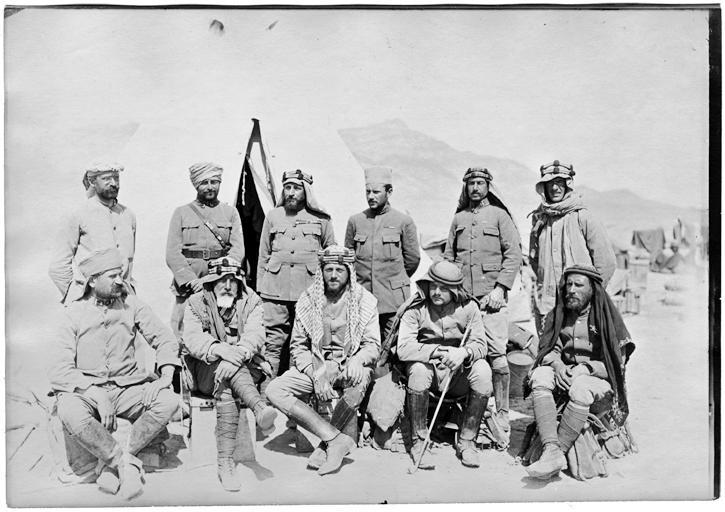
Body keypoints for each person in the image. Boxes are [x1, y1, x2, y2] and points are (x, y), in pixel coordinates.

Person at [48, 248, 180, 500]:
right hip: (87, 391)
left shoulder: (132, 305)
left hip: (128, 389)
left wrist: (165, 376)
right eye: (112, 276)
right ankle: (121, 463)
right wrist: (95, 393)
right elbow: (59, 367)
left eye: (120, 274)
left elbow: (164, 339)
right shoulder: (73, 312)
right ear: (92, 281)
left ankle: (114, 464)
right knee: (70, 411)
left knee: (169, 401)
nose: (120, 281)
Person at [265, 246, 380, 475]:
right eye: (329, 269)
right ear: (322, 271)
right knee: (274, 389)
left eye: (339, 270)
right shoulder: (308, 299)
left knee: (358, 380)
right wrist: (317, 375)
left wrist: (358, 360)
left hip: (349, 365)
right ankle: (335, 440)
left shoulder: (365, 300)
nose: (334, 275)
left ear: (349, 271)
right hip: (317, 367)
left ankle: (324, 448)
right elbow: (298, 347)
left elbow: (373, 346)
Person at [524, 265, 635, 480]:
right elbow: (548, 350)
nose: (571, 290)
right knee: (539, 376)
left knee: (580, 388)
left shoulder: (606, 319)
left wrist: (586, 369)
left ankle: (559, 451)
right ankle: (551, 450)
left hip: (597, 380)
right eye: (568, 284)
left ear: (592, 289)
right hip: (565, 373)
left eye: (578, 285)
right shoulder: (559, 314)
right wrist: (558, 366)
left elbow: (617, 364)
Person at [182, 257, 277, 491]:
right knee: (223, 374)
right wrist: (220, 350)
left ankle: (225, 463)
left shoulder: (251, 300)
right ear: (211, 282)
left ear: (240, 283)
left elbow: (256, 333)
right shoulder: (196, 302)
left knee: (225, 383)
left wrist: (238, 353)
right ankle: (259, 408)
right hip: (204, 370)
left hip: (242, 367)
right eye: (221, 280)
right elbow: (192, 338)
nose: (227, 286)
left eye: (233, 281)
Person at [443, 167, 521, 438]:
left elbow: (514, 255)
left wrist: (500, 289)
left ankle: (502, 412)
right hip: (464, 300)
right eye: (471, 183)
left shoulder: (500, 216)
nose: (475, 188)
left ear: (488, 186)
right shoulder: (459, 218)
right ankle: (465, 409)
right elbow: (449, 258)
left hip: (492, 300)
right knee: (463, 353)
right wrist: (453, 291)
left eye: (480, 182)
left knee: (497, 354)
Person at [396, 260, 493, 469]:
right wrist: (438, 351)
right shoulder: (416, 308)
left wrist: (463, 352)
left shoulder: (470, 308)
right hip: (427, 373)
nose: (436, 292)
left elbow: (481, 345)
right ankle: (419, 442)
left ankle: (467, 441)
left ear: (455, 290)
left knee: (483, 371)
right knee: (418, 370)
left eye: (444, 288)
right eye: (433, 286)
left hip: (457, 375)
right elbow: (403, 348)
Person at [256, 169, 336, 380]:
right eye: (287, 187)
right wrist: (261, 288)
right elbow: (263, 254)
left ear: (306, 191)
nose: (291, 192)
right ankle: (267, 393)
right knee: (271, 344)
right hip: (274, 291)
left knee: (302, 343)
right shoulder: (273, 216)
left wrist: (327, 293)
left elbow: (331, 257)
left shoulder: (321, 219)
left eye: (296, 188)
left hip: (307, 292)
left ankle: (296, 391)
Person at [529, 160, 616, 337]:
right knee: (547, 351)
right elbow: (534, 260)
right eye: (550, 183)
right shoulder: (539, 219)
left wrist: (590, 295)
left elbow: (606, 263)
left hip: (579, 305)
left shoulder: (584, 217)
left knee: (578, 350)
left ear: (568, 185)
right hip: (547, 304)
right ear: (543, 187)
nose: (555, 188)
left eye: (559, 182)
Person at [166, 162, 245, 337]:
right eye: (204, 183)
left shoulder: (230, 213)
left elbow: (237, 250)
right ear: (196, 185)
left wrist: (216, 277)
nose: (210, 187)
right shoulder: (181, 213)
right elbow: (172, 253)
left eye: (214, 182)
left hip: (221, 280)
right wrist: (191, 281)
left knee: (222, 328)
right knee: (183, 329)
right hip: (189, 284)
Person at [344, 166, 420, 341]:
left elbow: (412, 259)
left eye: (376, 192)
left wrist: (394, 278)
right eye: (368, 192)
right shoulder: (356, 221)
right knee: (363, 344)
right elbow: (348, 259)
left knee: (393, 346)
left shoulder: (403, 221)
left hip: (393, 300)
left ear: (389, 192)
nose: (371, 196)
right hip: (363, 298)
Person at [49, 163, 136, 304]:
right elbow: (58, 266)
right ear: (92, 181)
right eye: (106, 178)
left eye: (116, 178)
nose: (114, 183)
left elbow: (129, 264)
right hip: (92, 303)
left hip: (124, 302)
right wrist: (79, 298)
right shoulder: (77, 214)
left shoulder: (128, 215)